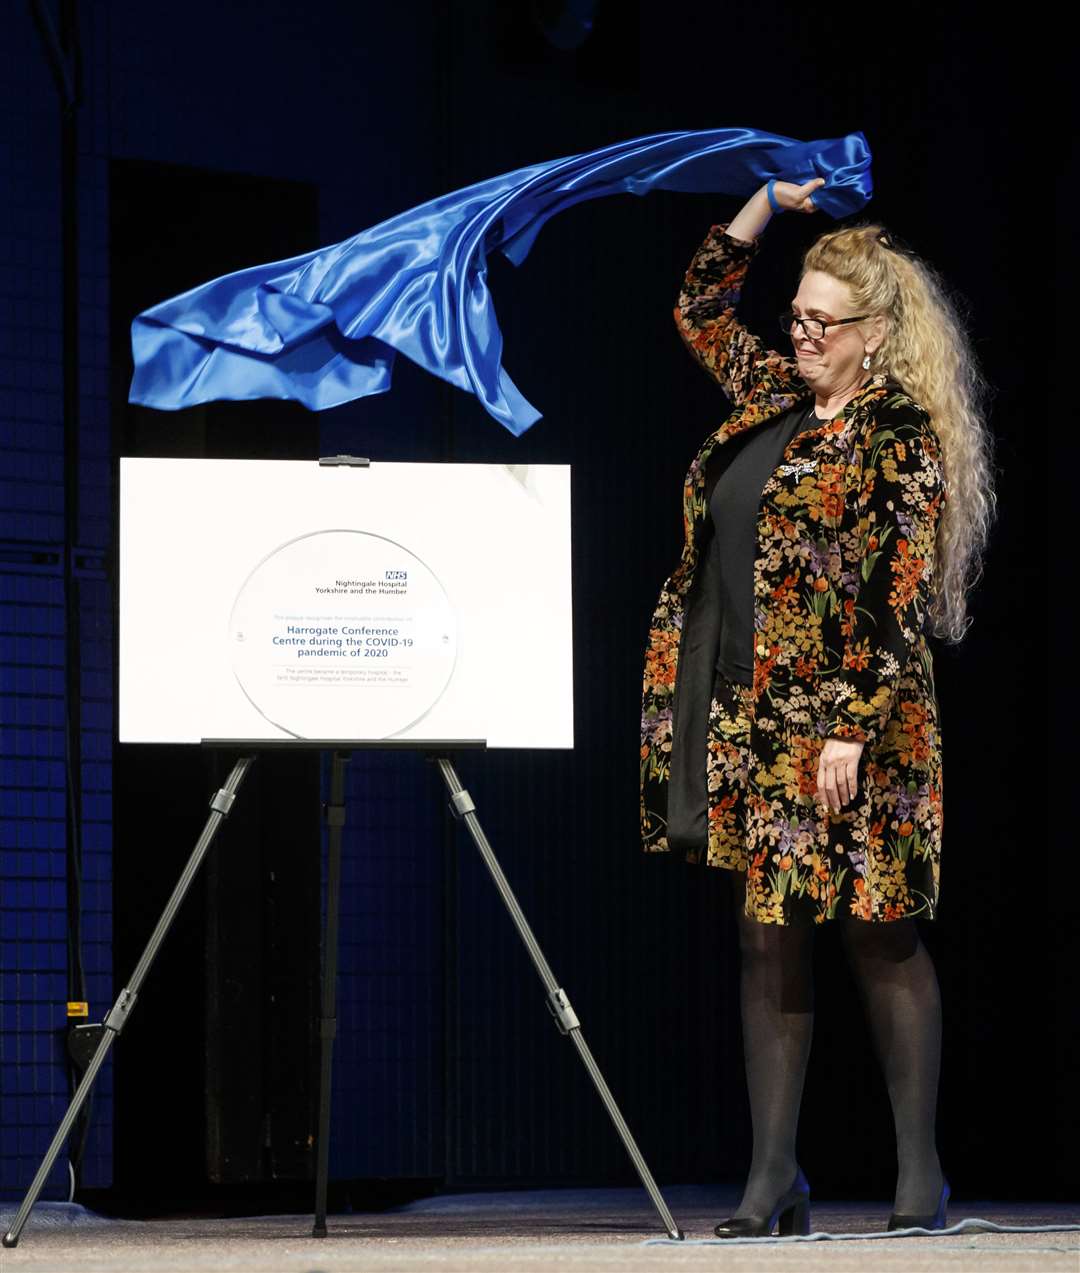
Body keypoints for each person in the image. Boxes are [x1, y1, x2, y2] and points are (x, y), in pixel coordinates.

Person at [638, 177, 996, 1236]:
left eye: (822, 322)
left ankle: (918, 1172)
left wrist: (848, 720)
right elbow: (700, 308)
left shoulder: (901, 435)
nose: (799, 334)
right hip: (755, 718)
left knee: (875, 930)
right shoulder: (775, 402)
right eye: (795, 315)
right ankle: (774, 1178)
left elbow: (901, 587)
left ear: (875, 333)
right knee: (766, 937)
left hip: (862, 722)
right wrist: (760, 200)